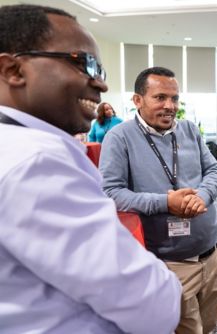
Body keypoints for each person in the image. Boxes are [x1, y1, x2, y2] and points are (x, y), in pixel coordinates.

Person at [0, 4, 181, 334]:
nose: (100, 84)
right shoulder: (37, 160)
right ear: (14, 70)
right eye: (84, 63)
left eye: (102, 70)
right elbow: (150, 303)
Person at [99, 66, 217, 334]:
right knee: (188, 329)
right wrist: (166, 203)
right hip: (168, 262)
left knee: (210, 325)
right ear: (137, 100)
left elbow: (214, 170)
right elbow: (111, 192)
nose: (170, 106)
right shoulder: (119, 137)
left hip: (213, 251)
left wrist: (202, 196)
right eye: (160, 98)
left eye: (174, 98)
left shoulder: (190, 130)